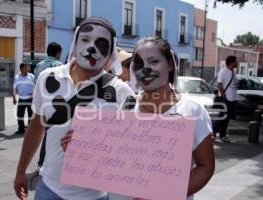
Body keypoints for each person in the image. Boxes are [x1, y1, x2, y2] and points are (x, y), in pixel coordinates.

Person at [62, 36, 215, 200]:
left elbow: (205, 166)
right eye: (139, 64)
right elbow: (113, 157)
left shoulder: (192, 111)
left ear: (170, 64)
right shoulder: (126, 106)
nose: (146, 69)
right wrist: (79, 146)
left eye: (154, 61)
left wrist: (161, 194)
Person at [14, 17, 134, 200]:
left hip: (94, 195)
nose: (91, 47)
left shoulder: (122, 92)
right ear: (76, 42)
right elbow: (36, 126)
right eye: (85, 39)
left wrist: (94, 143)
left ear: (110, 51)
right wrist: (21, 171)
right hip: (48, 189)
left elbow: (131, 147)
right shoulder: (47, 78)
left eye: (101, 43)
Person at [34, 42, 63, 172]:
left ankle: (41, 161)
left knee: (41, 131)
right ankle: (46, 161)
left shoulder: (38, 66)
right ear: (58, 53)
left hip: (40, 103)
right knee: (52, 134)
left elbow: (36, 85)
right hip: (55, 106)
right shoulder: (60, 66)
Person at [213, 55, 238, 143]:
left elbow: (233, 85)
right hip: (226, 98)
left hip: (233, 98)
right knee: (222, 117)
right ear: (231, 63)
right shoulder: (223, 72)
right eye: (235, 61)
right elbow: (219, 84)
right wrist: (224, 96)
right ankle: (213, 133)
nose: (237, 63)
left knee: (227, 118)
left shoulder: (233, 72)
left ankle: (223, 135)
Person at [12, 63, 35, 135]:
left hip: (30, 99)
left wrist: (33, 94)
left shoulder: (32, 76)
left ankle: (29, 129)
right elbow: (14, 88)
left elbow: (36, 86)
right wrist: (14, 98)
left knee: (31, 115)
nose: (27, 70)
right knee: (19, 115)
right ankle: (21, 129)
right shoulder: (17, 77)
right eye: (25, 68)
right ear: (21, 69)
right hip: (21, 99)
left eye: (27, 68)